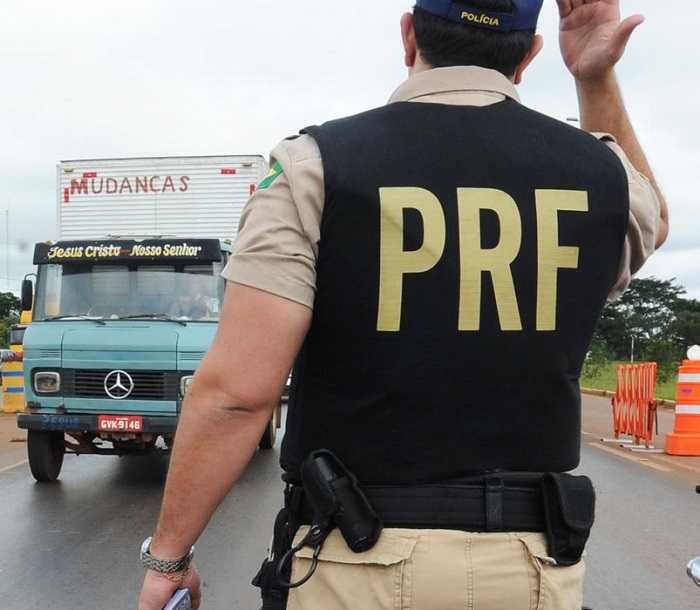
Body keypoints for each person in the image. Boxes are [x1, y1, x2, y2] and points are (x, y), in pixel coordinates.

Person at [138, 0, 668, 608]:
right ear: (528, 56)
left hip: (354, 564)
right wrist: (595, 79)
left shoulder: (313, 167)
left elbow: (236, 394)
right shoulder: (603, 177)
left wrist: (169, 559)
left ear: (409, 34)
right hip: (533, 566)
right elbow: (649, 217)